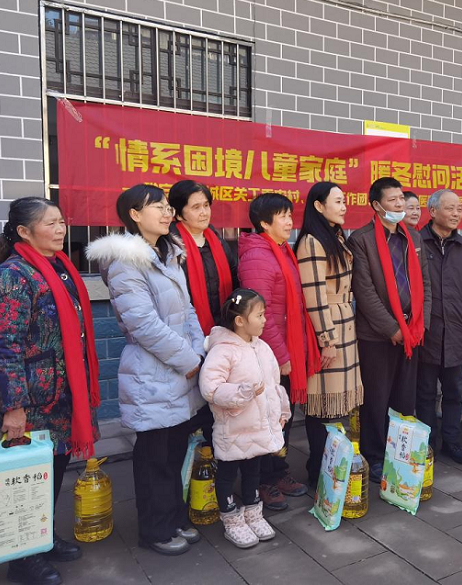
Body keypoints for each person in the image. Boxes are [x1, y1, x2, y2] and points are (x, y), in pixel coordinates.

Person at [0, 197, 100, 585]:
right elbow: (3, 346)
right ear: (23, 232)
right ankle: (22, 558)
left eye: (62, 221)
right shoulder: (12, 276)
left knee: (52, 472)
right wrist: (13, 407)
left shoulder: (59, 269)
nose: (61, 228)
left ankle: (42, 537)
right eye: (50, 223)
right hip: (31, 401)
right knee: (27, 477)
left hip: (62, 396)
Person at [86, 184, 204, 557]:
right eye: (158, 207)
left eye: (169, 207)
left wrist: (200, 351)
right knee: (154, 457)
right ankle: (154, 530)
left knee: (174, 452)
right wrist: (188, 360)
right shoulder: (126, 262)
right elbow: (143, 324)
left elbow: (189, 312)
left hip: (181, 368)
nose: (168, 213)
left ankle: (173, 517)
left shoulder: (168, 254)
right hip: (152, 373)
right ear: (135, 215)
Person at [347, 177, 431, 483]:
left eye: (402, 199)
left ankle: (401, 452)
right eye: (393, 200)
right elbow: (365, 291)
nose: (400, 205)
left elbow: (426, 284)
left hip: (413, 331)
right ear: (377, 206)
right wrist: (393, 328)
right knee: (377, 398)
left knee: (405, 398)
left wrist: (421, 323)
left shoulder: (412, 238)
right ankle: (374, 455)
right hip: (378, 335)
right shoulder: (362, 239)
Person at [237, 193, 317, 509]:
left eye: (289, 215)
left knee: (280, 416)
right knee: (265, 419)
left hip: (284, 350)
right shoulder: (258, 256)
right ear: (264, 222)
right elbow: (262, 314)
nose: (289, 221)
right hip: (269, 354)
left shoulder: (282, 251)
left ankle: (277, 471)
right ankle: (261, 481)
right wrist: (282, 356)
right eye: (282, 216)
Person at [199, 288, 290, 549]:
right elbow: (211, 389)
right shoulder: (223, 351)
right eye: (259, 315)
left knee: (253, 471)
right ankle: (231, 519)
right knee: (227, 473)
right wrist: (242, 392)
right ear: (240, 321)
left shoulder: (262, 348)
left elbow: (274, 384)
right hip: (234, 429)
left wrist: (282, 410)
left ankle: (253, 512)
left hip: (258, 429)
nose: (264, 320)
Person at [295, 182, 364, 485]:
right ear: (319, 206)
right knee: (323, 402)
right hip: (330, 327)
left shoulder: (335, 236)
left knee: (338, 404)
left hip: (344, 322)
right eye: (337, 201)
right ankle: (319, 471)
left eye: (344, 200)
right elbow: (314, 296)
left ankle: (334, 466)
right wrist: (327, 340)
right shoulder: (312, 241)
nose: (344, 206)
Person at [415, 190, 462, 465]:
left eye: (459, 209)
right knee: (425, 392)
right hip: (427, 332)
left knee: (455, 391)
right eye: (450, 209)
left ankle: (452, 442)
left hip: (456, 332)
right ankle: (427, 444)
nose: (456, 214)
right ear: (432, 212)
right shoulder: (417, 242)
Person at [169, 180, 238, 447]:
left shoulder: (216, 239)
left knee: (217, 405)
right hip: (187, 336)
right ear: (178, 212)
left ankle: (212, 466)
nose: (204, 212)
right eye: (195, 207)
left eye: (206, 205)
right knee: (189, 410)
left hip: (221, 333)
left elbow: (233, 277)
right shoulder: (170, 245)